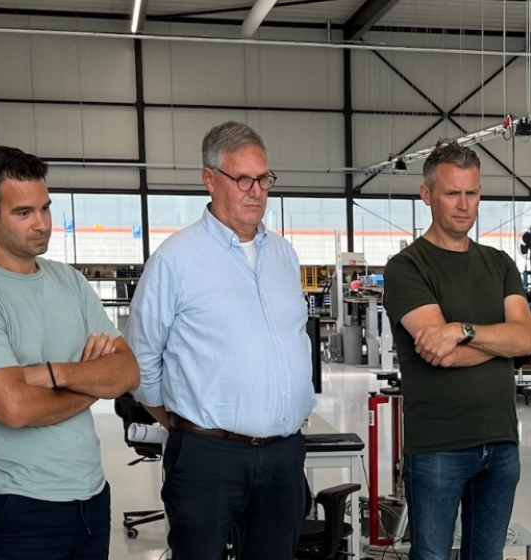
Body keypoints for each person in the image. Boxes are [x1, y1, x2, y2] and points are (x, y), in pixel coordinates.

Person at [0, 145, 140, 560]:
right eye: (24, 212)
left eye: (45, 209)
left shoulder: (68, 280)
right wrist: (92, 383)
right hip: (16, 506)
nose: (42, 224)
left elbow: (126, 372)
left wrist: (49, 373)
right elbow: (14, 409)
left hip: (89, 496)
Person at [129, 121, 314, 560]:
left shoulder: (283, 255)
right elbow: (140, 359)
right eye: (243, 179)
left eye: (264, 178)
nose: (257, 191)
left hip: (283, 455)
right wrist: (181, 423)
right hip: (208, 456)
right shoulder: (176, 259)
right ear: (209, 179)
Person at [382, 144, 531, 560]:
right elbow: (441, 354)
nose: (464, 205)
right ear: (427, 194)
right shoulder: (407, 268)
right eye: (452, 193)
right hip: (438, 447)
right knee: (431, 555)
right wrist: (499, 343)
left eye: (472, 193)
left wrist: (462, 330)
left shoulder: (500, 263)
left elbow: (526, 340)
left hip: (501, 443)